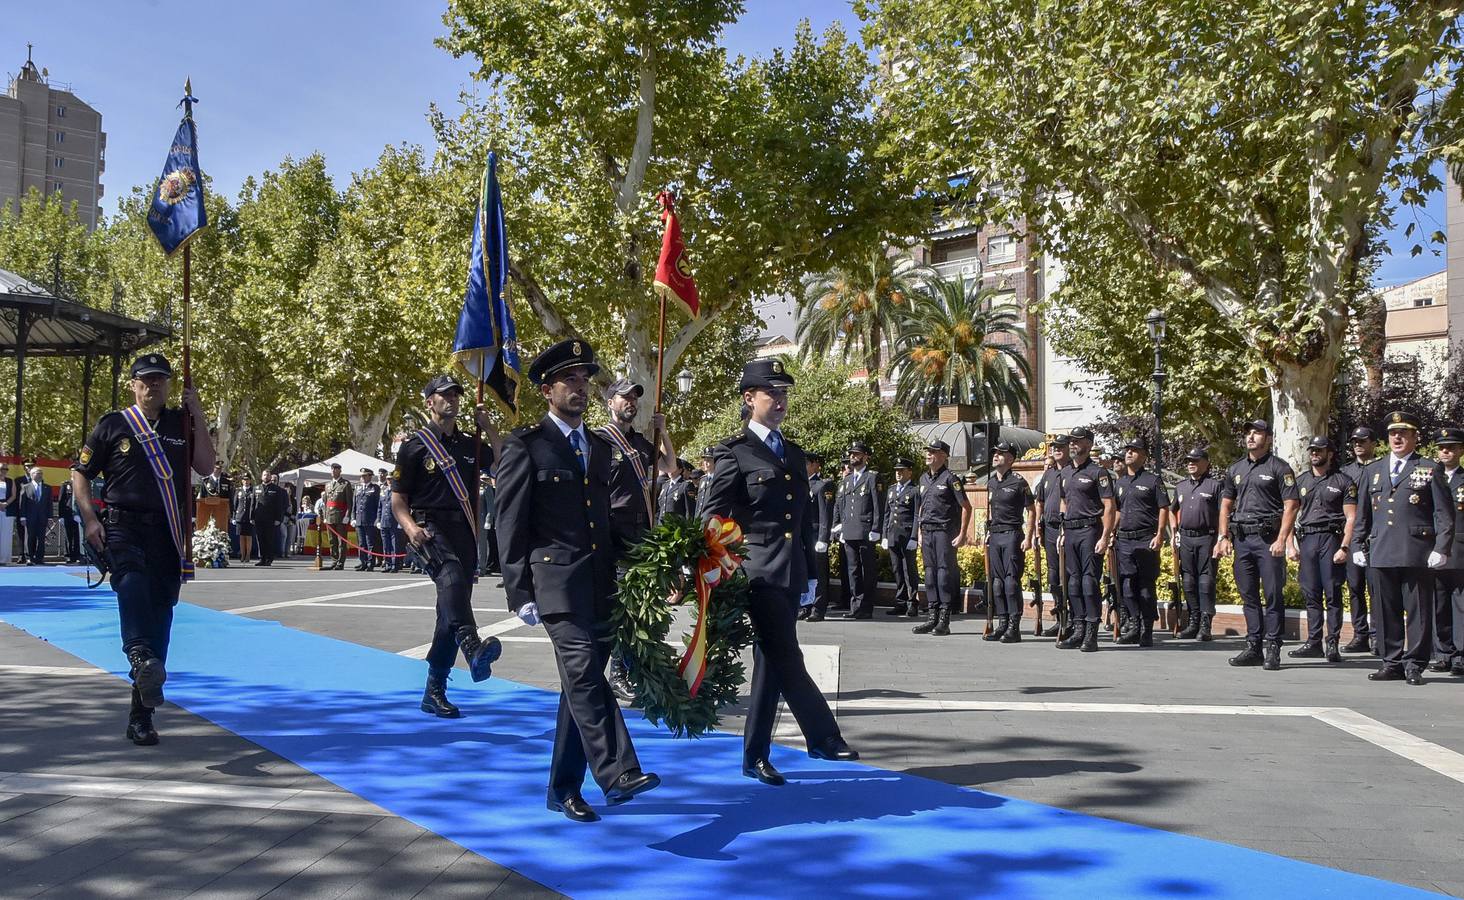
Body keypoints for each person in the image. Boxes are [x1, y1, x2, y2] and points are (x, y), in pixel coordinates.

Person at [497, 339, 659, 822]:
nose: (581, 388)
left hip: (599, 583)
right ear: (547, 390)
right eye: (571, 380)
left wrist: (648, 563)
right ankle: (618, 772)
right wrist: (518, 591)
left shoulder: (601, 448)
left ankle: (563, 788)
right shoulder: (526, 446)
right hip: (555, 584)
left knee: (577, 689)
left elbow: (608, 521)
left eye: (586, 380)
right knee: (585, 671)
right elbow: (510, 523)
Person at [701, 357, 859, 787]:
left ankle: (755, 756)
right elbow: (711, 516)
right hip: (754, 572)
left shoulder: (793, 452)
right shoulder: (734, 453)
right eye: (773, 392)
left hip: (788, 572)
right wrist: (710, 567)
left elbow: (803, 520)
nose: (780, 400)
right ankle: (822, 735)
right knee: (788, 654)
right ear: (749, 398)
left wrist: (809, 573)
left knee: (771, 663)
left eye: (785, 392)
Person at [71, 352, 217, 746]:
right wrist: (90, 519)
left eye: (160, 380)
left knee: (161, 617)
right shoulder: (114, 424)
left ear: (169, 385)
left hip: (167, 532)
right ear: (133, 384)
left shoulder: (179, 423)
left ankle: (142, 712)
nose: (153, 385)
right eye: (146, 379)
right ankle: (138, 657)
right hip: (123, 526)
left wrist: (198, 414)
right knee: (132, 586)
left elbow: (206, 465)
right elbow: (80, 472)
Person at [392, 374, 503, 717]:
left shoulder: (471, 443)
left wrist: (489, 426)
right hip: (429, 528)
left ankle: (434, 689)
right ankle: (471, 646)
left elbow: (501, 462)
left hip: (464, 530)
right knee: (452, 580)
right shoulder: (414, 446)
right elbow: (397, 499)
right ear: (430, 401)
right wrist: (410, 528)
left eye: (456, 394)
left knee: (449, 611)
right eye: (444, 395)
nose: (452, 399)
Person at [1351, 412, 1453, 685]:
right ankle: (1391, 661)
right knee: (1385, 610)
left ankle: (1415, 664)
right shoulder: (1373, 470)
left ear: (1414, 437)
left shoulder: (1429, 468)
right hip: (1382, 549)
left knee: (1418, 610)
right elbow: (1363, 515)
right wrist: (1357, 544)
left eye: (1404, 433)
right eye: (1393, 433)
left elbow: (1443, 513)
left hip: (1416, 550)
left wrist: (1441, 547)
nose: (1397, 437)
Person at [597, 377, 677, 702]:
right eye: (624, 397)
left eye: (634, 398)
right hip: (612, 534)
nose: (631, 402)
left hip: (642, 533)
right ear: (610, 402)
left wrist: (665, 431)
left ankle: (631, 670)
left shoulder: (643, 444)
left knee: (638, 608)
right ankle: (617, 673)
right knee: (620, 608)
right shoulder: (600, 441)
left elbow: (670, 467)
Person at [1217, 420, 1300, 671]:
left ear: (1268, 438)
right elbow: (1225, 505)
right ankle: (1253, 645)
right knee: (1248, 594)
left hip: (1267, 540)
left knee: (1273, 594)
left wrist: (1282, 539)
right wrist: (1223, 537)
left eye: (1257, 433)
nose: (1251, 437)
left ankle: (1273, 646)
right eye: (1249, 432)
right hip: (1243, 539)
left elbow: (1292, 505)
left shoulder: (1279, 468)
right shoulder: (1236, 469)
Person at [1287, 437, 1357, 663]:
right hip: (1307, 539)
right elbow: (1289, 513)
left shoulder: (1343, 481)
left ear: (1331, 453)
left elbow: (1351, 518)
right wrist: (1289, 543)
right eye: (1312, 450)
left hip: (1331, 538)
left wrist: (1345, 546)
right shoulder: (1301, 481)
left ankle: (1333, 642)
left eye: (1320, 450)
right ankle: (1313, 642)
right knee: (1311, 593)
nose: (1315, 454)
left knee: (1333, 593)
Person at [1057, 426, 1116, 652]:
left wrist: (1105, 536)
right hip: (1071, 531)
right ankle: (1078, 628)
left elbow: (1109, 506)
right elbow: (1064, 502)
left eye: (1078, 441)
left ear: (1089, 445)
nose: (1073, 444)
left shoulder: (1098, 473)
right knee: (1073, 582)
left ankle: (1091, 632)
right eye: (1071, 441)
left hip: (1090, 531)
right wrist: (1062, 530)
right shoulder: (1065, 473)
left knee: (1089, 582)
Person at [1111, 440, 1169, 647]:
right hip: (1124, 540)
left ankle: (1147, 629)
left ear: (1144, 456)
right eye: (1127, 450)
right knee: (1127, 585)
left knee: (1145, 586)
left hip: (1145, 539)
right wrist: (1110, 532)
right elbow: (1116, 511)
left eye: (1134, 451)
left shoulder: (1153, 481)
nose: (1129, 453)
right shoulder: (1120, 483)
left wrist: (1160, 534)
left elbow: (1164, 507)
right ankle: (1134, 625)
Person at [913, 439, 972, 636]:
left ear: (944, 456)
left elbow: (966, 507)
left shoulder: (951, 479)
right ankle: (932, 617)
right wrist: (920, 532)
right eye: (928, 451)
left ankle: (944, 620)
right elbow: (921, 508)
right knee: (929, 575)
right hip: (927, 531)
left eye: (934, 451)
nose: (929, 454)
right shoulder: (923, 479)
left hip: (944, 532)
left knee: (943, 574)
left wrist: (962, 534)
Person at [984, 441, 1036, 642]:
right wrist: (988, 531)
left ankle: (1014, 627)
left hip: (1012, 535)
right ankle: (1002, 623)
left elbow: (1031, 510)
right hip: (995, 535)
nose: (996, 455)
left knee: (1010, 582)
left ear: (1011, 458)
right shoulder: (990, 482)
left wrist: (1029, 537)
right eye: (994, 452)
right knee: (996, 583)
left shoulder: (1019, 482)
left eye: (1001, 453)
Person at [1171, 448, 1222, 641]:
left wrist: (1221, 538)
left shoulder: (1215, 486)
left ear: (1206, 462)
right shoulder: (1181, 486)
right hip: (1186, 538)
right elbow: (1171, 509)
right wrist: (1174, 530)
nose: (1191, 463)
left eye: (1195, 460)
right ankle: (1193, 620)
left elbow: (1224, 512)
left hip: (1206, 537)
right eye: (1188, 460)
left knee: (1206, 581)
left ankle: (1205, 623)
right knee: (1188, 582)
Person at [1340, 426, 1379, 654]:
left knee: (1376, 590)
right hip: (1353, 539)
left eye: (1363, 441)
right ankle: (1360, 634)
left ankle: (1376, 635)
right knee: (1355, 587)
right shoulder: (1345, 472)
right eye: (1355, 441)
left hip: (1376, 537)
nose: (1358, 445)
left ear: (1373, 443)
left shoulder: (1380, 469)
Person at [835, 441, 883, 619]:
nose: (853, 457)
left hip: (865, 529)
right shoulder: (847, 480)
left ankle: (867, 606)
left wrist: (876, 528)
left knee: (867, 570)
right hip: (849, 530)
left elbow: (878, 504)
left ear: (865, 456)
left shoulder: (872, 477)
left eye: (857, 454)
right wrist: (840, 526)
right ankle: (855, 605)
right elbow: (844, 505)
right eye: (852, 454)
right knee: (852, 569)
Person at [1432, 426, 1464, 677]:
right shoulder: (1427, 476)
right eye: (1442, 447)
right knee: (1438, 603)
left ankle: (1460, 655)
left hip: (1460, 551)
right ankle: (1442, 653)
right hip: (1433, 550)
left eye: (1451, 447)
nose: (1446, 451)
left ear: (1460, 450)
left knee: (1460, 604)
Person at [1033, 435, 1071, 639]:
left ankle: (1072, 619)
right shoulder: (1048, 475)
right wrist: (1038, 527)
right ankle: (1060, 618)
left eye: (1061, 447)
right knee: (1054, 576)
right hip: (1049, 529)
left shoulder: (1072, 471)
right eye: (1054, 447)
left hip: (1068, 529)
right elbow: (1039, 502)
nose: (1057, 450)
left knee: (1069, 576)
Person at [804, 451, 837, 622]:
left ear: (814, 465)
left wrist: (823, 538)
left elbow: (826, 514)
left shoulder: (822, 485)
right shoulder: (802, 484)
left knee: (818, 574)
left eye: (806, 463)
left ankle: (818, 608)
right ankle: (805, 605)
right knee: (805, 573)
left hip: (816, 536)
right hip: (803, 536)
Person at [321, 463, 354, 570]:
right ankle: (334, 560)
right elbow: (326, 502)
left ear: (340, 471)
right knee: (332, 540)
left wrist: (347, 516)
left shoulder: (345, 484)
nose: (333, 472)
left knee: (341, 541)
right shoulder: (328, 485)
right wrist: (325, 516)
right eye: (332, 470)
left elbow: (349, 502)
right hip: (330, 516)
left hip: (340, 516)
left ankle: (341, 562)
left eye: (336, 470)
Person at [254, 471, 287, 567]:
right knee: (260, 539)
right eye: (264, 475)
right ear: (261, 477)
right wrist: (251, 517)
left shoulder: (276, 489)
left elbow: (280, 506)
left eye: (268, 475)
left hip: (271, 519)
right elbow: (253, 503)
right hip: (259, 518)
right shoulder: (256, 488)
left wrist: (278, 519)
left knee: (269, 539)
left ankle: (269, 558)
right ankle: (262, 558)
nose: (266, 477)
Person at [19, 466, 51, 565]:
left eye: (41, 473)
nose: (40, 475)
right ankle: (30, 557)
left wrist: (50, 517)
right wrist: (22, 517)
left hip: (42, 517)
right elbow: (22, 504)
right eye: (38, 473)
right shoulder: (25, 487)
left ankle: (39, 558)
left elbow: (49, 503)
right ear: (32, 475)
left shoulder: (47, 488)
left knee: (41, 539)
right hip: (30, 518)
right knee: (30, 537)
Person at [352, 468, 381, 571]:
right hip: (359, 520)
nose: (363, 478)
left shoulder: (375, 488)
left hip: (370, 519)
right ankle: (363, 562)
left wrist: (377, 519)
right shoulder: (358, 488)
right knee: (361, 543)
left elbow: (378, 505)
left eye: (365, 476)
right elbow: (354, 505)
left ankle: (370, 563)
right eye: (362, 476)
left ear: (370, 476)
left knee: (370, 543)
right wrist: (353, 518)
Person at [379, 468, 401, 573]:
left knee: (394, 544)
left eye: (391, 479)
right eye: (388, 479)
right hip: (384, 521)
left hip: (394, 521)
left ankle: (394, 564)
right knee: (385, 544)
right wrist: (378, 520)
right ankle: (387, 563)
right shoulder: (383, 491)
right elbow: (380, 507)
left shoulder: (398, 491)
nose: (389, 481)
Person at [58, 464, 81, 563]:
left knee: (78, 535)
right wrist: (61, 516)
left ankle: (77, 554)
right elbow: (61, 501)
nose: (74, 473)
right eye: (73, 471)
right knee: (68, 535)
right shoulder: (66, 484)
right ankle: (68, 555)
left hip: (79, 513)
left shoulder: (81, 484)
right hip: (68, 513)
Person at [232, 473, 257, 563]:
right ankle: (242, 554)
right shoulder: (238, 490)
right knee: (241, 537)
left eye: (247, 480)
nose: (246, 481)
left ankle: (248, 555)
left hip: (249, 517)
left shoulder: (253, 490)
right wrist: (234, 517)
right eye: (244, 480)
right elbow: (235, 505)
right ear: (242, 481)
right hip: (240, 516)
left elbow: (254, 505)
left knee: (249, 537)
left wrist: (253, 517)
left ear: (250, 480)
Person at [476, 471, 497, 577]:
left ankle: (481, 567)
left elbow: (490, 506)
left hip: (481, 519)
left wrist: (488, 520)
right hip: (472, 519)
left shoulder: (485, 487)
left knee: (482, 545)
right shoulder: (470, 486)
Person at [0, 452, 15, 565]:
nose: (4, 471)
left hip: (7, 509)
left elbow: (13, 495)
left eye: (6, 469)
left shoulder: (11, 481)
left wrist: (6, 504)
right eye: (2, 468)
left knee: (6, 535)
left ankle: (5, 559)